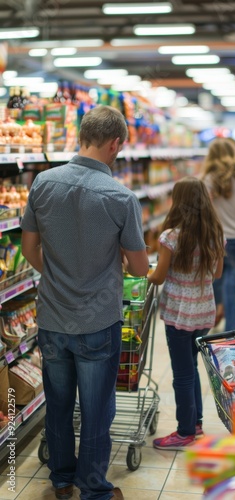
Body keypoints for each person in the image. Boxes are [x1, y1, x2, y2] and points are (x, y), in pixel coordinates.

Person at [20, 106, 149, 500]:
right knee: (96, 411)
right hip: (97, 320)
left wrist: (61, 275)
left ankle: (61, 480)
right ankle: (93, 488)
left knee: (57, 406)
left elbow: (29, 249)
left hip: (52, 318)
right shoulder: (121, 197)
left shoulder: (43, 183)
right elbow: (140, 267)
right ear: (115, 144)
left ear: (81, 135)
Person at [148, 176, 224, 450]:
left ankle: (184, 431)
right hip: (204, 312)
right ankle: (197, 422)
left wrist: (145, 272)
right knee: (191, 368)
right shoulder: (216, 233)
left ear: (178, 202)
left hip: (179, 315)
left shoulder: (170, 237)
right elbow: (217, 273)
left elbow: (158, 277)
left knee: (182, 373)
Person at [202, 138, 235, 331]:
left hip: (216, 238)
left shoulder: (209, 179)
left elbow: (206, 212)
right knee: (232, 288)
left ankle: (217, 322)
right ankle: (231, 330)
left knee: (216, 282)